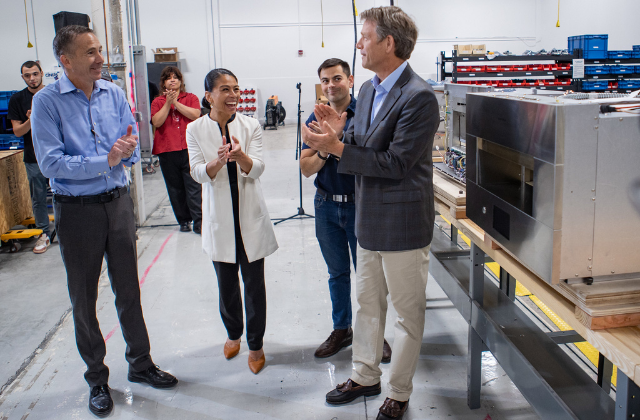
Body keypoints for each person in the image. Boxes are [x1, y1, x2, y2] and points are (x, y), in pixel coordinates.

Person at [31, 25, 177, 417]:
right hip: (77, 210)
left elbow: (130, 143)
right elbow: (50, 164)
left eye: (99, 50)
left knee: (129, 289)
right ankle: (96, 377)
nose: (99, 58)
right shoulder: (47, 103)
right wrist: (106, 160)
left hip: (118, 204)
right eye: (90, 52)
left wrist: (125, 153)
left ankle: (141, 363)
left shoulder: (113, 93)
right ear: (66, 61)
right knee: (84, 297)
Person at [301, 6, 439, 420]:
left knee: (407, 315)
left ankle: (398, 389)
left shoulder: (419, 97)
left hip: (402, 224)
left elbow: (396, 163)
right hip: (369, 220)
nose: (359, 44)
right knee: (367, 305)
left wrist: (337, 148)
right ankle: (364, 375)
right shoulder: (370, 90)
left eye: (364, 37)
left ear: (388, 43)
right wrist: (337, 132)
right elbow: (363, 136)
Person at [186, 68, 278, 375]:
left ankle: (256, 344)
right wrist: (217, 161)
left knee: (254, 286)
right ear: (209, 96)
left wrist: (240, 157)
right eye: (225, 89)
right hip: (219, 221)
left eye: (236, 89)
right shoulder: (195, 130)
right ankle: (233, 333)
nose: (234, 95)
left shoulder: (250, 125)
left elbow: (260, 167)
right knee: (226, 286)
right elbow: (197, 172)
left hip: (250, 218)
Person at [300, 58, 391, 362]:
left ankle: (375, 333)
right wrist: (326, 147)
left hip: (361, 206)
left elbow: (374, 158)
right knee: (337, 273)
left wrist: (337, 141)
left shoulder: (366, 115)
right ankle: (342, 329)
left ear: (350, 80)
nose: (330, 85)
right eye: (325, 80)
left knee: (369, 276)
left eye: (336, 78)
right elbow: (306, 168)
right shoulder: (315, 119)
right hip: (326, 206)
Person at [150, 66, 202, 233]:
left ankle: (198, 221)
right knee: (175, 188)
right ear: (164, 83)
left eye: (175, 77)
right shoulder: (157, 102)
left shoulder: (191, 98)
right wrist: (167, 103)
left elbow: (195, 115)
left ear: (181, 81)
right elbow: (157, 122)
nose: (172, 80)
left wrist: (175, 102)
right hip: (167, 151)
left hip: (189, 149)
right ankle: (183, 221)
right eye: (168, 78)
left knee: (194, 186)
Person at [8, 61, 51, 253]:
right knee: (39, 197)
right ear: (23, 77)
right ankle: (43, 233)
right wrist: (31, 120)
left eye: (35, 74)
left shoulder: (53, 94)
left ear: (42, 73)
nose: (32, 78)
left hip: (56, 153)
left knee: (65, 193)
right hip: (33, 156)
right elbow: (18, 131)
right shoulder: (17, 99)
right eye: (27, 75)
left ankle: (69, 230)